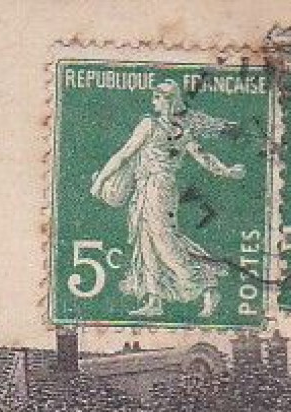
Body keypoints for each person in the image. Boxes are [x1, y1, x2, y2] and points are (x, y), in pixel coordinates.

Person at [90, 80, 246, 318]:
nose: (153, 102)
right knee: (146, 240)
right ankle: (154, 300)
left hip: (158, 188)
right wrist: (227, 170)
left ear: (168, 100)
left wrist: (100, 181)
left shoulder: (151, 125)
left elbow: (124, 155)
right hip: (149, 187)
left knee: (163, 240)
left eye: (157, 97)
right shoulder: (180, 129)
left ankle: (206, 283)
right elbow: (205, 158)